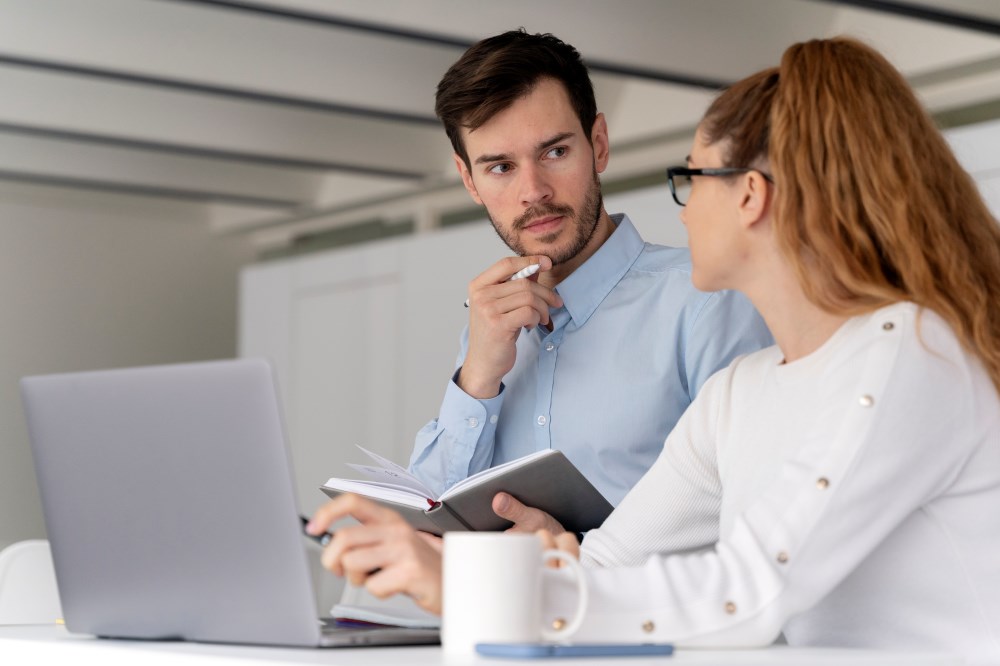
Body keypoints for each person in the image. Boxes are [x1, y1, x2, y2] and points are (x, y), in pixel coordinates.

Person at [309, 36, 1000, 658]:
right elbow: (607, 566)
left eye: (691, 178)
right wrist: (499, 570)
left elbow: (748, 587)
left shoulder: (913, 348)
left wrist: (466, 585)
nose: (681, 206)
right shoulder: (743, 392)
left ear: (750, 197)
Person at [409, 30, 772, 525]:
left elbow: (756, 521)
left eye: (555, 152)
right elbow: (430, 518)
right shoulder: (488, 333)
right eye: (500, 167)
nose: (533, 191)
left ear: (598, 144)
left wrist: (575, 559)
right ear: (470, 180)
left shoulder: (708, 301)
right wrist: (475, 378)